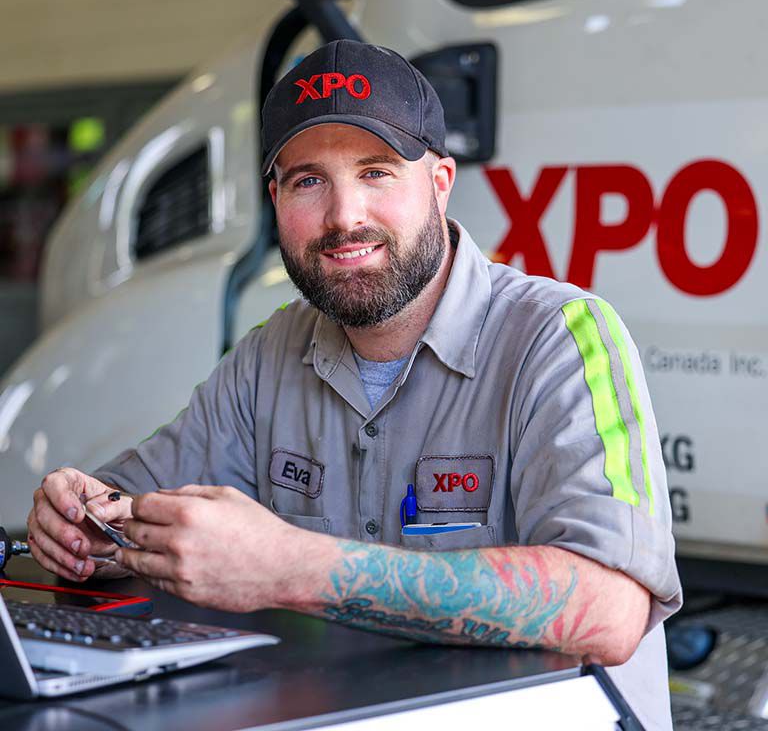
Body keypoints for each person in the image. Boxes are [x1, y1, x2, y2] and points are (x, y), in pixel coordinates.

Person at [27, 40, 682, 729]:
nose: (345, 217)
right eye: (310, 180)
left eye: (377, 172)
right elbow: (129, 512)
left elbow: (610, 610)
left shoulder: (563, 337)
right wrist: (84, 528)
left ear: (440, 182)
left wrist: (290, 567)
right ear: (275, 198)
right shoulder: (270, 356)